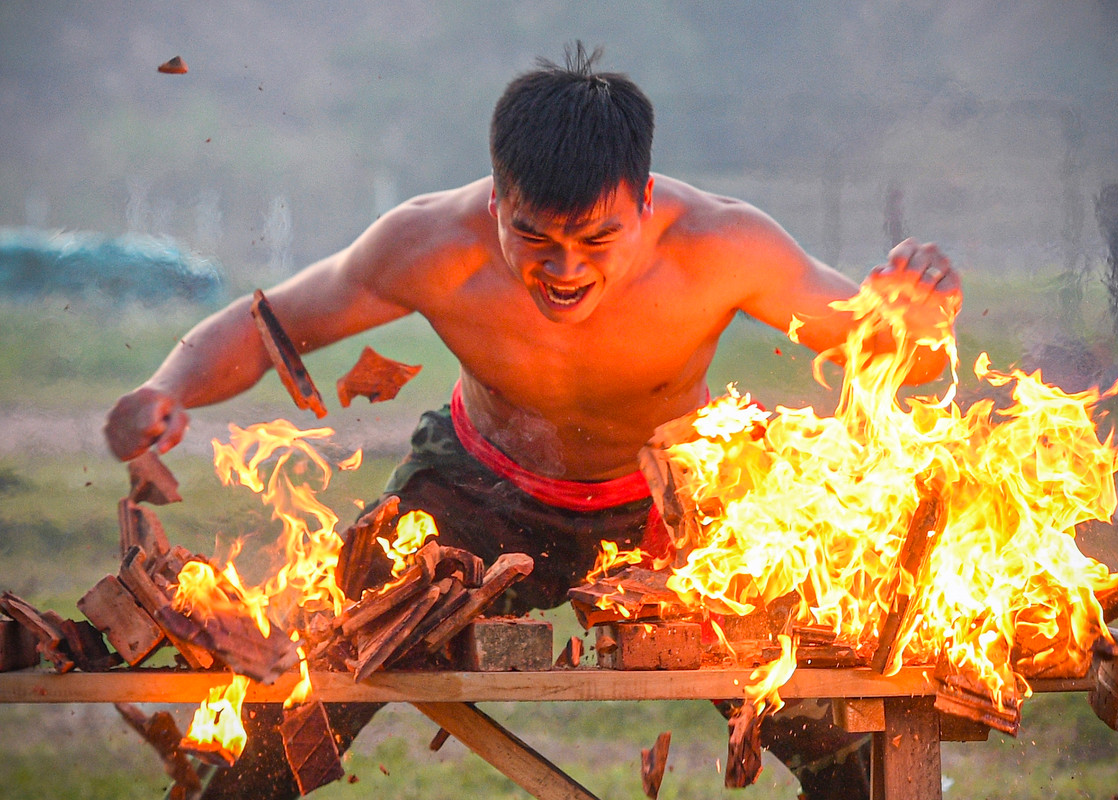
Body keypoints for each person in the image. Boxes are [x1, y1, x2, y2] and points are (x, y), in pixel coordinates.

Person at [105, 45, 960, 800]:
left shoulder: (723, 246)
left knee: (820, 724)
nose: (564, 270)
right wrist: (166, 385)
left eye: (596, 239)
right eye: (535, 237)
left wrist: (922, 320)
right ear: (494, 204)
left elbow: (894, 354)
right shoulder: (428, 244)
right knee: (313, 689)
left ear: (647, 198)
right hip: (478, 489)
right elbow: (272, 325)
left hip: (675, 511)